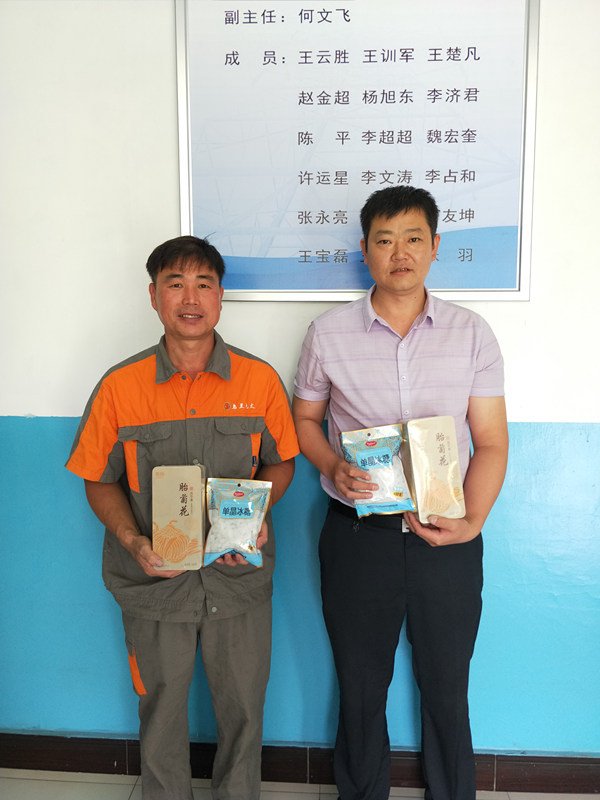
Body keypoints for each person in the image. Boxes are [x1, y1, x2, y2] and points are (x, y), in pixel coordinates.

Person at [292, 186, 508, 800]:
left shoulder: (472, 334)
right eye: (384, 240)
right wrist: (332, 465)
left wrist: (471, 523)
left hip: (449, 538)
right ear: (365, 250)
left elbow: (491, 442)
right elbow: (305, 420)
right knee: (360, 688)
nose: (400, 253)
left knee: (447, 688)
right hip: (359, 535)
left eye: (413, 238)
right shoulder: (327, 333)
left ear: (435, 246)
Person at [66, 235, 299, 800]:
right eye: (175, 284)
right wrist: (132, 539)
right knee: (162, 712)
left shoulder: (258, 380)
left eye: (204, 284)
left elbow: (282, 462)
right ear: (153, 296)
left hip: (237, 579)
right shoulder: (120, 387)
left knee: (244, 711)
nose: (190, 298)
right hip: (154, 585)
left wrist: (259, 513)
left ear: (220, 296)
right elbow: (97, 478)